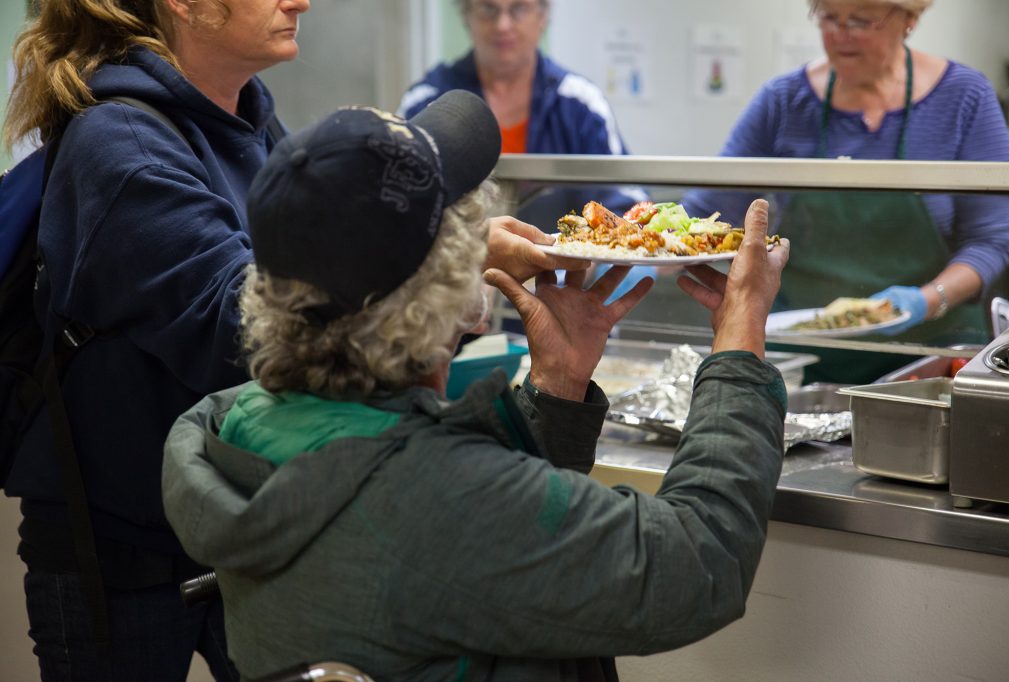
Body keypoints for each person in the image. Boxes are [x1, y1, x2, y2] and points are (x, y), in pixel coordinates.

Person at [161, 90, 793, 681]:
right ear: (443, 293)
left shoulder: (236, 425)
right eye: (462, 235)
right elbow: (700, 565)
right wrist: (739, 344)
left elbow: (476, 558)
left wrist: (557, 383)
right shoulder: (433, 495)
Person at [1, 0, 309, 679]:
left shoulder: (251, 122)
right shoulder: (120, 142)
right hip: (116, 553)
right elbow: (244, 329)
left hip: (234, 527)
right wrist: (431, 268)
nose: (300, 0)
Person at [685, 0, 1009, 383]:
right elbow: (707, 212)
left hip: (931, 354)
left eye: (860, 20)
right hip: (802, 353)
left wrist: (926, 300)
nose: (839, 34)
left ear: (909, 19)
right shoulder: (783, 101)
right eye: (828, 17)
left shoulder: (964, 98)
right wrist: (640, 249)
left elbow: (991, 240)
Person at [398, 0, 653, 299]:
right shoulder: (425, 103)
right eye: (488, 9)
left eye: (518, 8)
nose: (503, 24)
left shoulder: (579, 105)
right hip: (449, 309)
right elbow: (399, 217)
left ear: (543, 15)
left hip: (560, 303)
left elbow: (625, 211)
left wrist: (588, 267)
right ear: (466, 14)